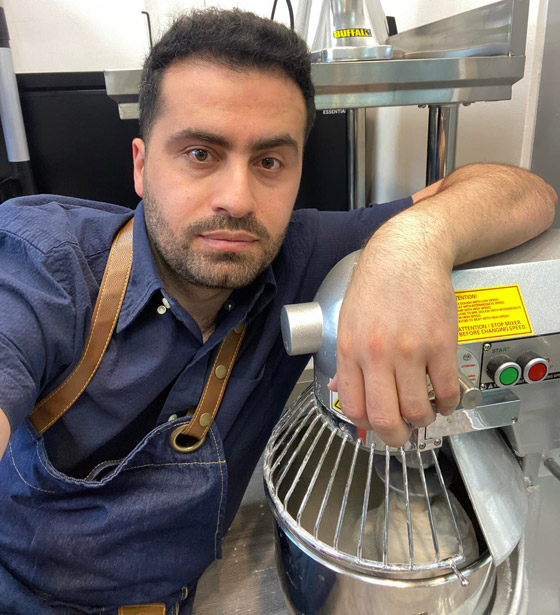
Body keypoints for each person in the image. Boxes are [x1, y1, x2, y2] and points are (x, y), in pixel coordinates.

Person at [0, 8, 556, 615]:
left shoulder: (299, 252)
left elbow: (529, 194)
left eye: (269, 162)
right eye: (200, 153)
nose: (237, 199)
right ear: (140, 164)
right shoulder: (43, 269)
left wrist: (410, 246)